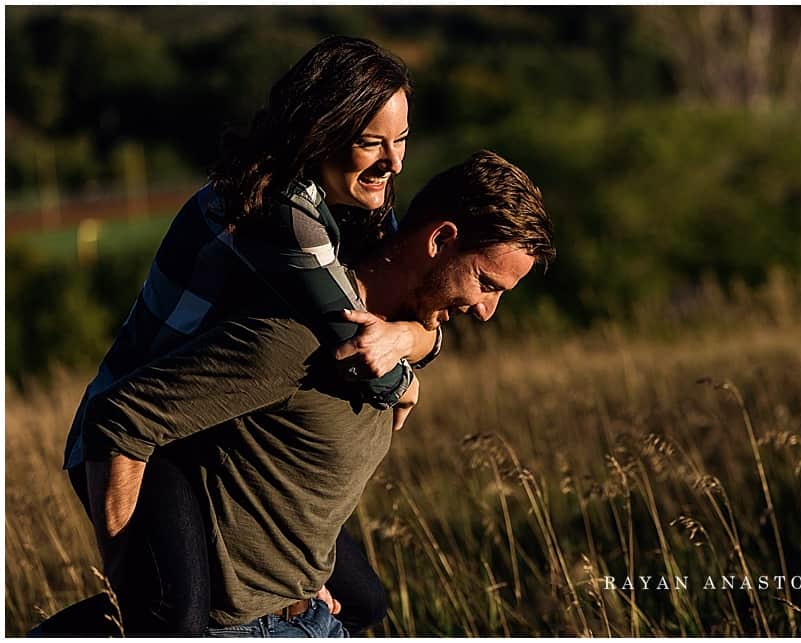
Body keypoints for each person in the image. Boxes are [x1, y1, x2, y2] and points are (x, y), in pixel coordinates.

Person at [52, 36, 439, 635]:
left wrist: (416, 340)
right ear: (321, 133)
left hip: (217, 429)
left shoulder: (361, 203)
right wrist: (406, 371)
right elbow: (365, 346)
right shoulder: (277, 208)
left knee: (362, 603)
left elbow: (392, 333)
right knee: (175, 618)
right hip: (144, 432)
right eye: (371, 142)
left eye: (403, 138)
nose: (394, 162)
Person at [79, 151, 556, 636]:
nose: (486, 311)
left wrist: (413, 344)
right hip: (242, 627)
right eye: (486, 284)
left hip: (313, 616)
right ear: (441, 239)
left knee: (369, 602)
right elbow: (119, 417)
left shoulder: (397, 336)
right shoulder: (299, 339)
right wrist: (128, 582)